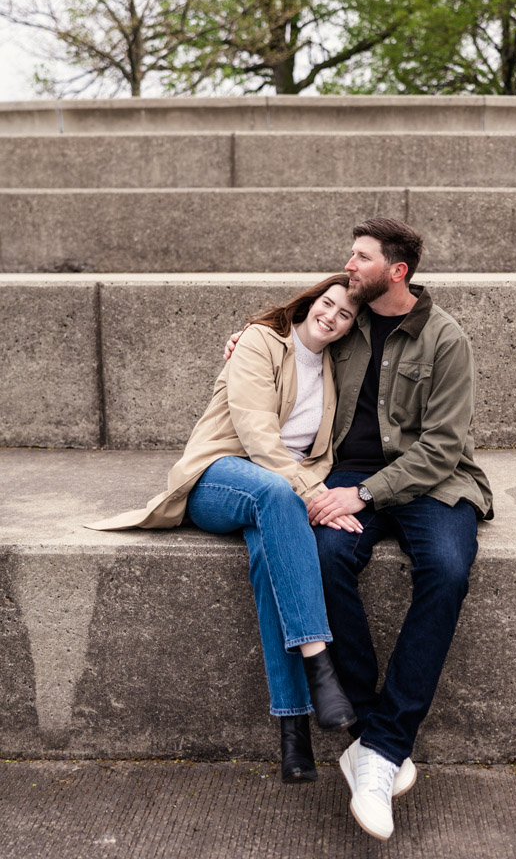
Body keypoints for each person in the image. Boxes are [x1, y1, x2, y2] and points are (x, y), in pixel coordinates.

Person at [226, 217, 494, 841]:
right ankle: (376, 740)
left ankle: (380, 745)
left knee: (449, 568)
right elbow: (292, 333)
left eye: (361, 257)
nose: (349, 265)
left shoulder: (446, 338)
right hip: (344, 471)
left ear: (396, 272)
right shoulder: (347, 317)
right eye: (350, 255)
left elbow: (444, 446)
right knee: (322, 555)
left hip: (432, 482)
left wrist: (367, 491)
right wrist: (246, 340)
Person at [86, 274, 362, 784]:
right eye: (328, 304)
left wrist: (315, 489)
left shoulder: (333, 368)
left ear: (349, 328)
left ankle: (294, 733)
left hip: (277, 492)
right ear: (309, 303)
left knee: (267, 561)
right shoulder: (260, 341)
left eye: (345, 314)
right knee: (275, 496)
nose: (332, 317)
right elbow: (257, 434)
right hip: (219, 477)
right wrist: (311, 494)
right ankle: (321, 667)